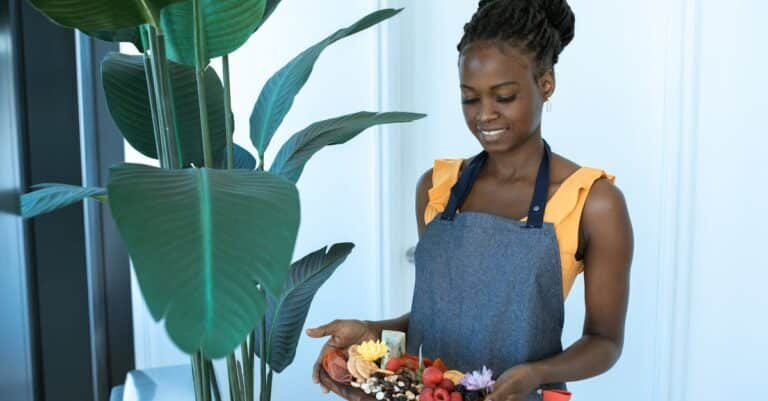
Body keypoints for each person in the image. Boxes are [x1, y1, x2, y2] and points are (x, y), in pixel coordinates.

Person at [306, 0, 633, 400]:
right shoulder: (437, 189)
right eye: (470, 98)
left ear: (545, 84)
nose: (485, 115)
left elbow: (605, 342)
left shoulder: (592, 202)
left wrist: (535, 373)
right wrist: (372, 332)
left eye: (504, 96)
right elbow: (443, 317)